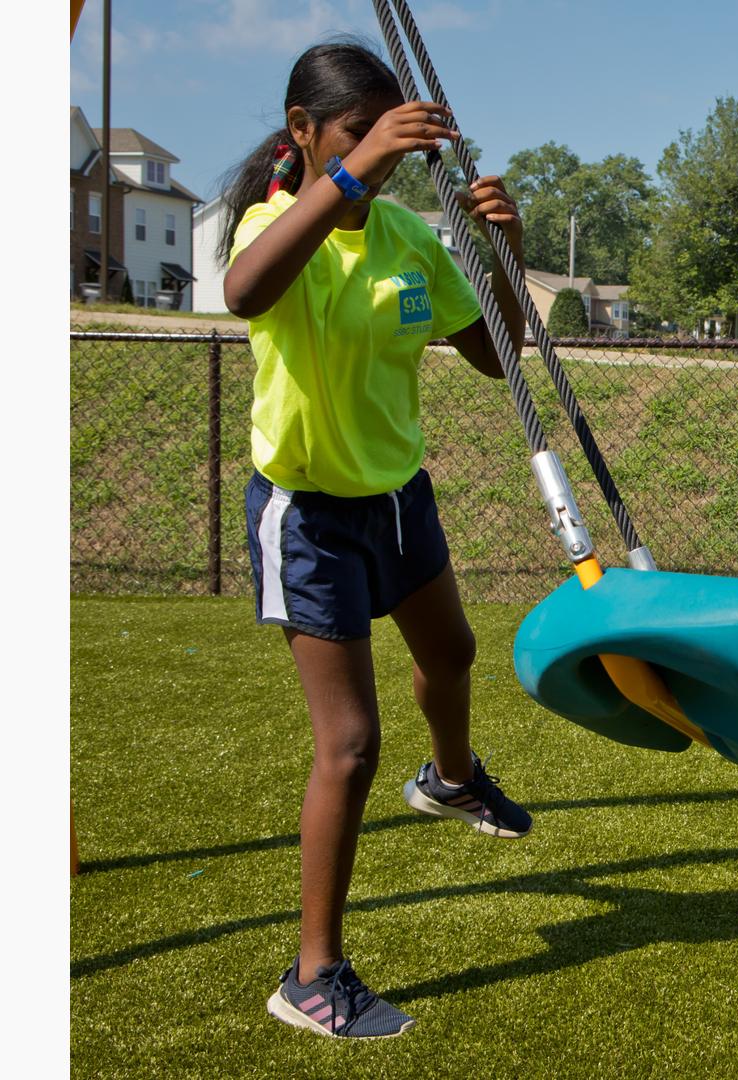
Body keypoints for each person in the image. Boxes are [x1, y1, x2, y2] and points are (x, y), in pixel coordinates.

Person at [218, 40, 533, 1040]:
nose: (384, 159)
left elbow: (497, 356)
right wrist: (348, 175)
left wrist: (504, 254)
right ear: (302, 132)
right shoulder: (278, 228)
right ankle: (312, 974)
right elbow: (244, 293)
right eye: (362, 137)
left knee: (453, 652)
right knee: (349, 746)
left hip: (397, 497)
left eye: (390, 140)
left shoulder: (404, 236)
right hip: (310, 517)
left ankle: (450, 780)